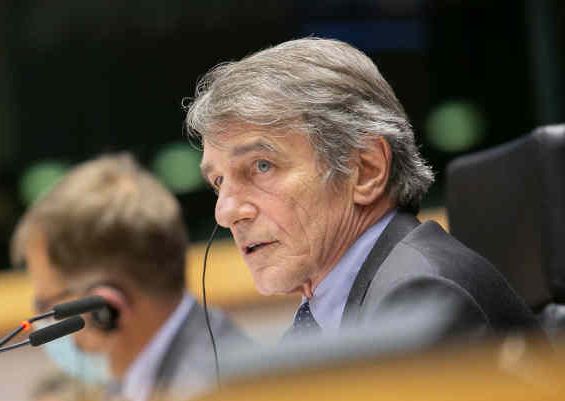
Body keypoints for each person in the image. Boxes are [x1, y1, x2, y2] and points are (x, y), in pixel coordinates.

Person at [185, 37, 540, 339]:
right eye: (218, 181)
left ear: (366, 170)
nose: (226, 211)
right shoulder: (330, 313)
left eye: (262, 166)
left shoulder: (419, 300)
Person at [11, 153, 248, 401]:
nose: (44, 321)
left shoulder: (208, 400)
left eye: (47, 305)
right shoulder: (128, 389)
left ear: (105, 306)